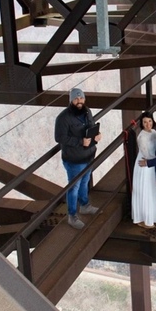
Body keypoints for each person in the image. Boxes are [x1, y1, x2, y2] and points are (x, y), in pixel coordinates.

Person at [54, 87, 102, 229]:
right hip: (74, 159)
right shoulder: (63, 118)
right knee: (74, 186)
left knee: (85, 181)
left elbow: (92, 126)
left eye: (81, 98)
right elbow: (59, 137)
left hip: (88, 155)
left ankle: (85, 205)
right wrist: (80, 142)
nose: (79, 101)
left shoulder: (87, 112)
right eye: (76, 99)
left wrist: (97, 135)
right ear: (71, 100)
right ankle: (72, 215)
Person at [131, 112, 156, 227]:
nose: (148, 124)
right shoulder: (141, 137)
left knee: (151, 189)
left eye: (150, 121)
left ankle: (149, 216)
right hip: (144, 165)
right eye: (145, 122)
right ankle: (144, 218)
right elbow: (147, 155)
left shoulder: (154, 132)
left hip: (151, 164)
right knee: (145, 191)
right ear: (142, 124)